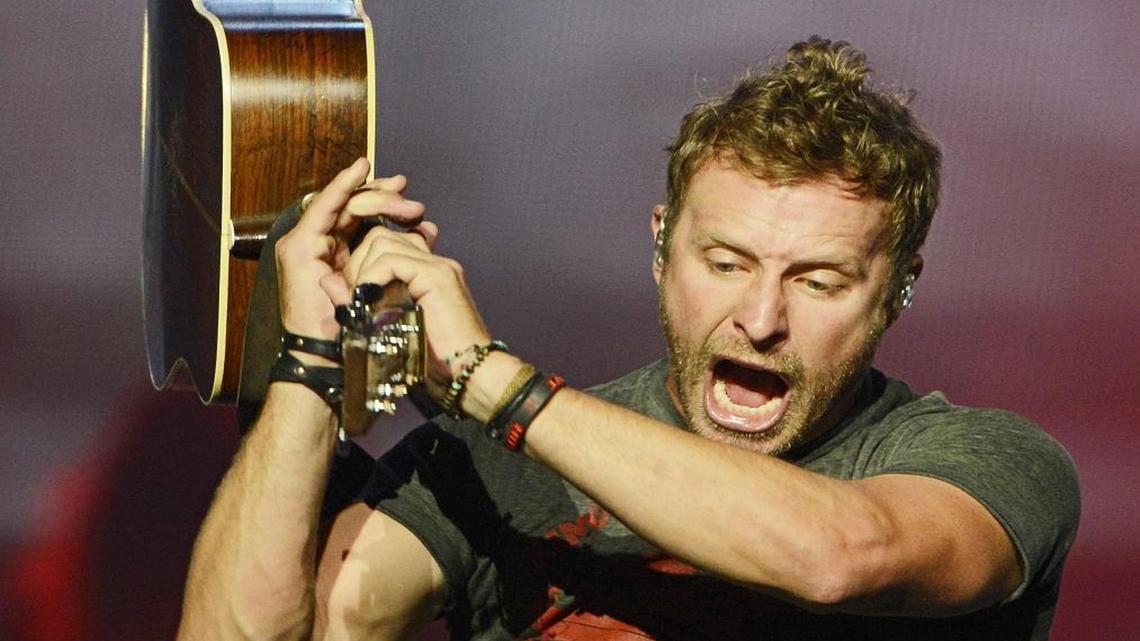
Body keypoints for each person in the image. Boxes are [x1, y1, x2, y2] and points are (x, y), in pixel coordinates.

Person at [176, 36, 1079, 641]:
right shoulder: (486, 471)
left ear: (901, 286)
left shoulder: (986, 460)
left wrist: (501, 389)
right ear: (660, 244)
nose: (761, 320)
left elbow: (841, 557)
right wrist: (306, 360)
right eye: (725, 263)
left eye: (817, 280)